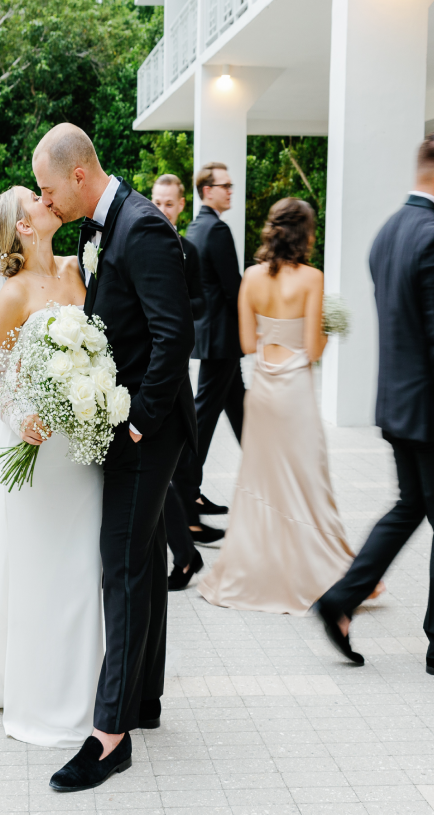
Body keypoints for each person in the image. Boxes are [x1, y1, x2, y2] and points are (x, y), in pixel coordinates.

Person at [32, 124, 196, 791]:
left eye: (47, 188)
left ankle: (110, 736)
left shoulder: (143, 226)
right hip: (126, 422)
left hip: (144, 430)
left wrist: (139, 424)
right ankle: (144, 701)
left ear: (77, 175)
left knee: (122, 569)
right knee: (145, 560)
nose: (46, 201)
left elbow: (172, 332)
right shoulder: (98, 229)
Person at [0, 187, 104, 747]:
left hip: (81, 448)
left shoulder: (78, 266)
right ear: (25, 227)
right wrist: (23, 415)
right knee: (41, 572)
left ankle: (87, 698)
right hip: (40, 453)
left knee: (84, 569)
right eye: (32, 199)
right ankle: (42, 698)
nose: (42, 197)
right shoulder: (9, 295)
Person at [198, 198, 355, 615]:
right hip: (296, 393)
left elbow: (249, 345)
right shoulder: (312, 278)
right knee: (307, 478)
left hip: (265, 391)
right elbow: (314, 349)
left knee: (262, 480)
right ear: (305, 235)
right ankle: (317, 573)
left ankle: (256, 571)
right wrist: (326, 327)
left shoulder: (250, 277)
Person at [316, 135, 434, 672]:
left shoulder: (389, 232)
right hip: (429, 411)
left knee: (411, 507)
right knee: (414, 507)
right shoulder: (431, 234)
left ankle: (341, 600)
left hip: (398, 403)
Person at [173, 161, 245, 544]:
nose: (231, 190)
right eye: (225, 185)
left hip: (214, 339)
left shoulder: (196, 227)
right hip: (222, 340)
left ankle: (263, 492)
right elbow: (234, 288)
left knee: (241, 415)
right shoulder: (216, 229)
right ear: (206, 190)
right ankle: (184, 498)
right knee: (201, 420)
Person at [151, 174, 205, 591]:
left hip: (171, 366)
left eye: (169, 203)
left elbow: (200, 304)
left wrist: (172, 307)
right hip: (143, 368)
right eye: (157, 201)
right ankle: (185, 553)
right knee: (162, 472)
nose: (162, 208)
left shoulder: (190, 251)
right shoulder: (140, 240)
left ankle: (185, 553)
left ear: (181, 206)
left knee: (166, 470)